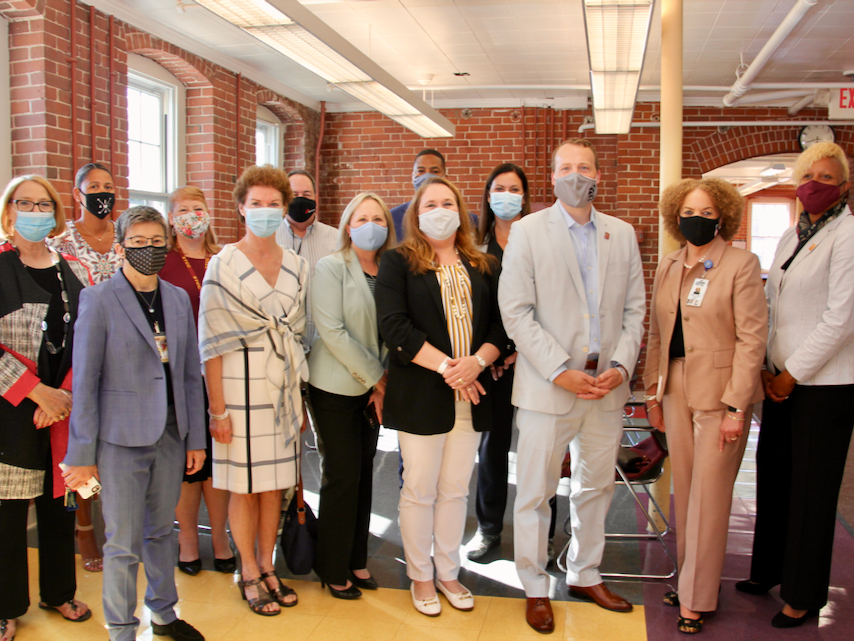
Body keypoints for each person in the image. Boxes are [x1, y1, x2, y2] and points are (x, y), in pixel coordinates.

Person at [499, 138, 645, 633]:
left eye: (584, 167)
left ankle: (585, 573)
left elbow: (634, 311)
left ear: (597, 176)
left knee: (596, 487)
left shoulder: (621, 234)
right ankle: (534, 586)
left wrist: (622, 366)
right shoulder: (527, 232)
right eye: (566, 167)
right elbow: (515, 311)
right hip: (549, 385)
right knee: (536, 492)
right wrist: (560, 369)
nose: (575, 174)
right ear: (553, 176)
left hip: (606, 387)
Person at [63, 206, 207, 641]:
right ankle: (122, 629)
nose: (149, 249)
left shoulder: (178, 299)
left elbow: (187, 372)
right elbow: (85, 382)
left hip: (169, 433)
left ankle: (163, 614)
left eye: (157, 241)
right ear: (123, 245)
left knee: (163, 532)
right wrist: (82, 455)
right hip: (120, 440)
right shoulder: (99, 299)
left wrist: (194, 437)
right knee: (122, 543)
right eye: (139, 242)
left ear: (168, 243)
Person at [376, 176, 508, 617]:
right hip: (423, 393)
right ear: (416, 213)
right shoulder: (398, 262)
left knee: (454, 489)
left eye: (447, 202)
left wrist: (478, 362)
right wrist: (451, 368)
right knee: (419, 489)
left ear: (461, 211)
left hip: (473, 393)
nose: (439, 209)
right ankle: (420, 575)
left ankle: (448, 571)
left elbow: (500, 328)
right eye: (429, 203)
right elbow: (394, 327)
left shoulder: (485, 264)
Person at [737, 142, 854, 629]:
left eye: (826, 177)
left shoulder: (848, 234)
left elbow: (841, 317)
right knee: (776, 477)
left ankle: (804, 594)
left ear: (843, 187)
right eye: (808, 175)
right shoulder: (791, 235)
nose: (814, 184)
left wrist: (790, 372)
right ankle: (767, 570)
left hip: (824, 386)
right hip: (780, 379)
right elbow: (772, 302)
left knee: (811, 489)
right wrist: (767, 366)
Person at [644, 178, 767, 634]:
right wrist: (652, 394)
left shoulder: (741, 263)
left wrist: (737, 407)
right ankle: (692, 581)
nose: (696, 219)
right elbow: (657, 333)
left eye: (707, 212)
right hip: (675, 386)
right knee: (687, 494)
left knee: (711, 499)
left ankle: (696, 597)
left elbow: (752, 340)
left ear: (722, 218)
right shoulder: (670, 263)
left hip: (721, 395)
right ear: (676, 215)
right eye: (689, 211)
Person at [199, 165, 307, 616]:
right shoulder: (221, 265)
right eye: (256, 203)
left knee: (273, 488)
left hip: (282, 393)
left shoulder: (299, 265)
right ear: (241, 207)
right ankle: (246, 569)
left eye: (273, 204)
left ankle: (268, 564)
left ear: (285, 210)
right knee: (242, 488)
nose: (265, 211)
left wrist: (299, 402)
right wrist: (217, 411)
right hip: (237, 395)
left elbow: (299, 335)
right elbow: (211, 345)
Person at [0, 175, 93, 641]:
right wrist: (37, 392)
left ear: (56, 214)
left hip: (66, 410)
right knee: (8, 514)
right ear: (9, 211)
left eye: (44, 204)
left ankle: (59, 591)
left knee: (62, 504)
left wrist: (66, 397)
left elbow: (91, 338)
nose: (36, 212)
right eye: (25, 203)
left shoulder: (72, 269)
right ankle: (5, 605)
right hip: (13, 410)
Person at [308, 192, 395, 599]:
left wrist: (382, 381)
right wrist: (379, 380)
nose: (371, 224)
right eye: (362, 218)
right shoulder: (330, 267)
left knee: (363, 477)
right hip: (335, 387)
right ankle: (331, 566)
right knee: (342, 476)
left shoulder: (391, 268)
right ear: (347, 225)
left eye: (378, 218)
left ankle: (356, 559)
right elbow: (332, 332)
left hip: (372, 390)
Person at [48, 162, 120, 573]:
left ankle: (118, 524)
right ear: (77, 194)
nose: (102, 193)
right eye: (94, 187)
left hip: (122, 356)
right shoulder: (61, 243)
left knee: (116, 444)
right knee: (82, 442)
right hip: (78, 354)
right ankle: (85, 525)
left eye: (108, 187)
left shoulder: (126, 239)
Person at [159, 186, 234, 576]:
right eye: (183, 210)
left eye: (198, 208)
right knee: (188, 465)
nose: (191, 215)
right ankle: (188, 539)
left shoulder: (224, 259)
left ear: (209, 213)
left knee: (218, 462)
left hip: (221, 375)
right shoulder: (163, 262)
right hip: (179, 376)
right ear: (172, 219)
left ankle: (220, 537)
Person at [468, 162, 539, 561]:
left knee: (538, 448)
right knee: (492, 448)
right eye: (499, 188)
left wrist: (517, 349)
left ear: (525, 197)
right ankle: (488, 528)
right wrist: (492, 354)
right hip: (491, 363)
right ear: (488, 195)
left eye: (514, 189)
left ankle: (540, 530)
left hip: (532, 360)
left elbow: (546, 303)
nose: (507, 195)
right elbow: (475, 308)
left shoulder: (539, 241)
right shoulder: (475, 247)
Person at [274, 169, 338, 350]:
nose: (300, 199)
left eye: (306, 194)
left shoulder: (336, 239)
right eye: (294, 195)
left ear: (316, 198)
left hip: (325, 346)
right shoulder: (270, 238)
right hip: (281, 346)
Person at [389, 149, 447, 242]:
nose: (427, 176)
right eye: (421, 170)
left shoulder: (468, 220)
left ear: (445, 178)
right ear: (412, 177)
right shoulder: (392, 218)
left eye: (435, 171)